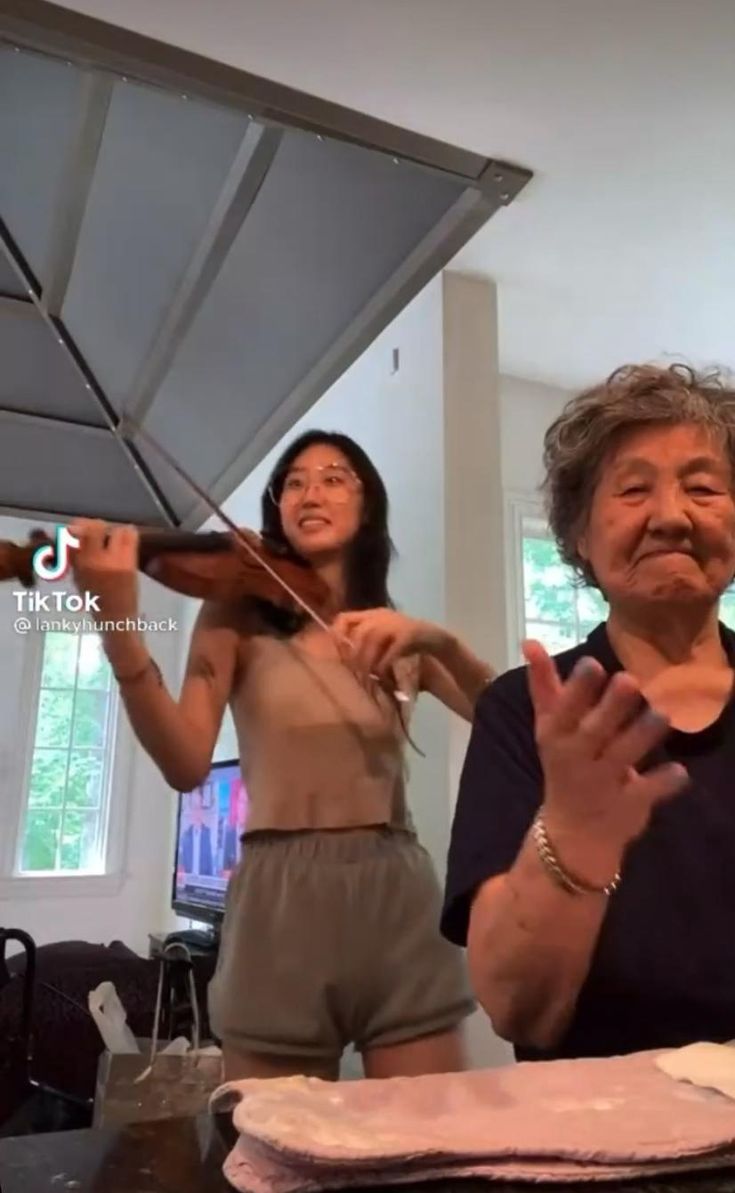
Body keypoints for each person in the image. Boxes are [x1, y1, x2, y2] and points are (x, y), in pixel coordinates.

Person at [67, 429, 494, 1081]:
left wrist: (440, 639)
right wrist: (119, 627)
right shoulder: (232, 616)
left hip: (395, 890)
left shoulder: (397, 635)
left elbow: (512, 721)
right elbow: (185, 763)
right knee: (272, 1161)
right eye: (293, 481)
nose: (309, 491)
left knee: (428, 1146)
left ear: (369, 504)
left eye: (332, 476)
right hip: (279, 896)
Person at [441, 362, 735, 1062]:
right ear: (576, 533)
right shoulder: (519, 712)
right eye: (633, 490)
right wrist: (572, 832)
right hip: (594, 1139)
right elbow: (519, 1009)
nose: (670, 515)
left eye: (702, 487)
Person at [179, 787, 214, 876]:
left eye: (199, 807)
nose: (196, 811)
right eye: (194, 807)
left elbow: (210, 865)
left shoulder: (208, 834)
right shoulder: (185, 836)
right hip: (187, 885)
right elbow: (181, 867)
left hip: (204, 885)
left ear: (202, 810)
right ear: (190, 810)